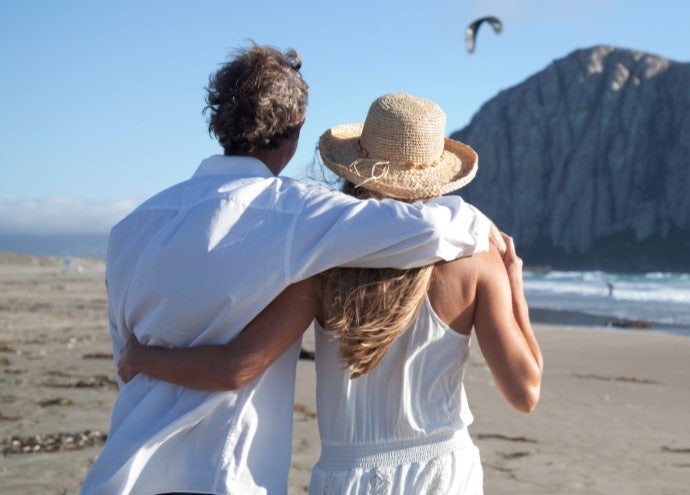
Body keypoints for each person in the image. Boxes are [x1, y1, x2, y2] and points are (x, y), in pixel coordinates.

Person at [81, 47, 498, 495]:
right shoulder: (295, 215)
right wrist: (488, 233)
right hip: (222, 476)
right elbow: (430, 230)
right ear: (295, 130)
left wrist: (148, 359)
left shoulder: (131, 228)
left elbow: (126, 362)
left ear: (218, 121)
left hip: (121, 473)